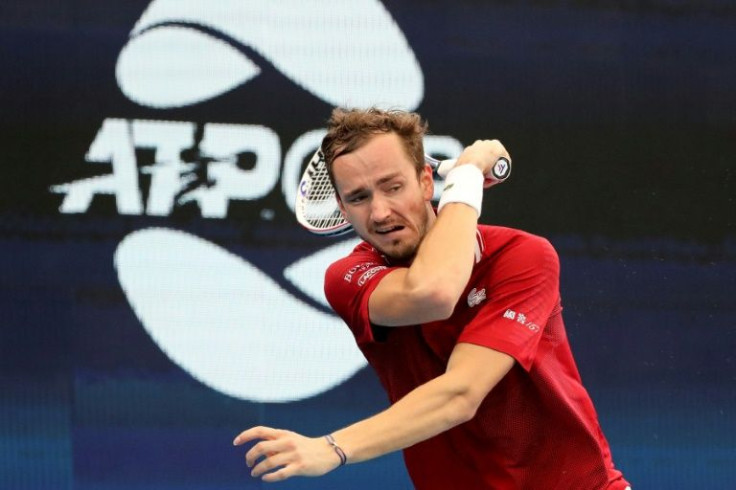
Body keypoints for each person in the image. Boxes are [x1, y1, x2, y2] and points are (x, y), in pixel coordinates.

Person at [233, 108, 631, 489]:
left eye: (394, 187)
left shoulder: (522, 256)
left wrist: (332, 448)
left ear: (427, 182)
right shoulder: (348, 278)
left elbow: (460, 392)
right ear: (341, 208)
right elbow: (427, 291)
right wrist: (466, 177)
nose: (380, 212)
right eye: (358, 198)